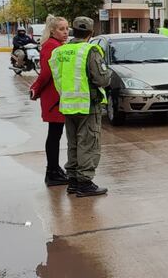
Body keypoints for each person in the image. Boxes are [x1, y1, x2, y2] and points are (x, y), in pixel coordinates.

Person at [49, 17, 111, 197]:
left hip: (68, 105)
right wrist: (108, 74)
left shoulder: (61, 51)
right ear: (91, 34)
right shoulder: (90, 50)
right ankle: (85, 183)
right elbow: (101, 79)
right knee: (89, 144)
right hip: (87, 105)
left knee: (73, 144)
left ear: (73, 31)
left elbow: (57, 77)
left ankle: (74, 181)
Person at [30, 16, 70, 187]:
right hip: (53, 97)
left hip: (57, 96)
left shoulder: (58, 45)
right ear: (52, 30)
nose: (66, 32)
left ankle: (54, 169)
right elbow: (46, 73)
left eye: (67, 28)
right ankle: (52, 172)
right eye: (61, 29)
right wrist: (35, 89)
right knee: (54, 135)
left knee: (56, 134)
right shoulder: (51, 47)